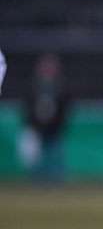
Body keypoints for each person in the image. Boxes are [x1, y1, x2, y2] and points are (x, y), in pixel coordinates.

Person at [23, 53, 70, 182]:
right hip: (37, 128)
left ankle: (56, 180)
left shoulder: (60, 86)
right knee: (36, 157)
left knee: (54, 155)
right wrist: (33, 124)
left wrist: (59, 124)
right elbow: (27, 106)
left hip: (54, 129)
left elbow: (65, 107)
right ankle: (37, 180)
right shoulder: (34, 85)